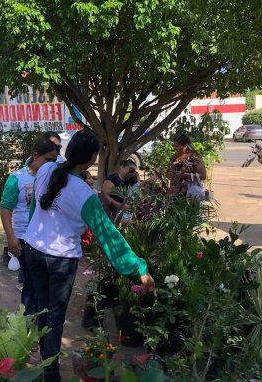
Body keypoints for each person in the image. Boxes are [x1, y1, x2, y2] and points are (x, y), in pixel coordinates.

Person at [24, 130, 156, 382]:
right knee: (54, 315)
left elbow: (34, 208)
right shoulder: (85, 195)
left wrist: (32, 233)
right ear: (93, 157)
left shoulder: (46, 169)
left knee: (42, 309)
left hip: (34, 250)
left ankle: (44, 362)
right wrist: (139, 268)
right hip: (60, 259)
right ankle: (50, 374)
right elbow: (108, 236)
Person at [0, 138, 59, 314]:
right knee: (31, 282)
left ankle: (40, 321)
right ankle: (28, 322)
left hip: (47, 238)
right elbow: (5, 209)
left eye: (54, 161)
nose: (51, 165)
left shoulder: (54, 179)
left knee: (45, 284)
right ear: (35, 155)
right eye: (48, 160)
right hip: (24, 238)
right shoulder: (17, 178)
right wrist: (11, 237)